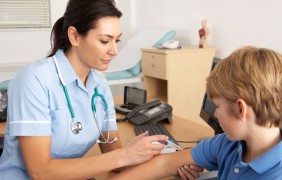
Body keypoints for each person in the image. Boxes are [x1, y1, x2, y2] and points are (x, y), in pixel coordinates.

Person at [0, 0, 171, 179]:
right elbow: (40, 172)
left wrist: (151, 154)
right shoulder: (34, 80)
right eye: (105, 41)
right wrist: (124, 156)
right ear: (74, 36)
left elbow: (112, 153)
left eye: (117, 40)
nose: (115, 51)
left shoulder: (100, 87)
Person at [109, 46, 282, 180]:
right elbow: (164, 164)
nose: (216, 114)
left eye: (217, 106)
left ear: (240, 109)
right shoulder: (229, 144)